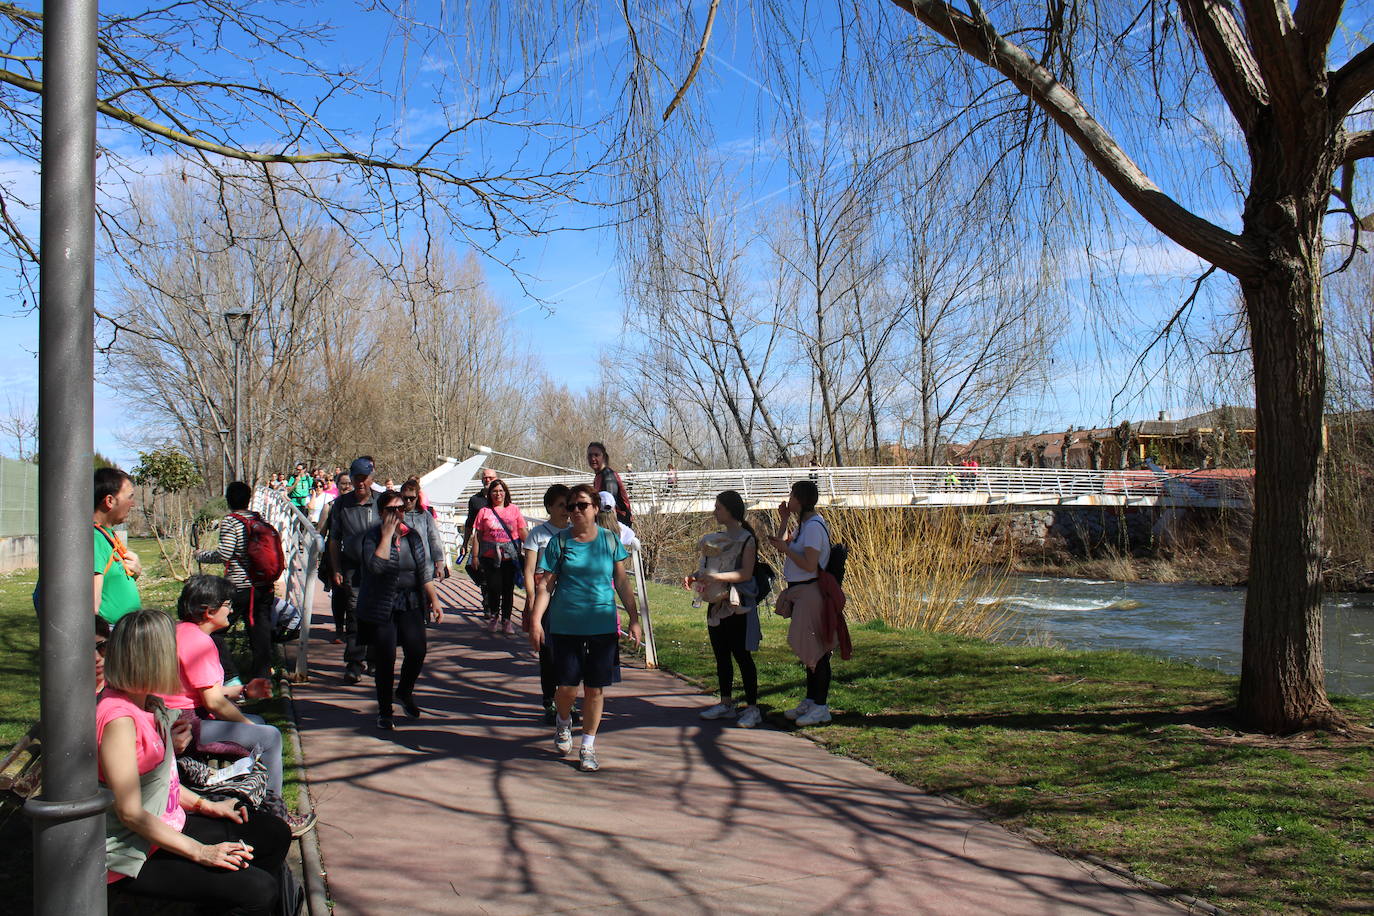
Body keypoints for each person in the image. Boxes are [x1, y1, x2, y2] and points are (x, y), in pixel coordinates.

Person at [98, 608, 292, 912]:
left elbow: (160, 782)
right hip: (131, 854)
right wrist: (202, 853)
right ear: (153, 657)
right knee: (258, 890)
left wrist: (208, 806)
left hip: (162, 828)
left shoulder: (148, 702)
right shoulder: (119, 720)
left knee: (274, 832)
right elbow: (131, 814)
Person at [160, 576, 313, 834]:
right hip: (185, 727)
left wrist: (243, 691)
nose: (232, 610)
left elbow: (205, 691)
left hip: (178, 718)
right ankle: (276, 816)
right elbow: (214, 702)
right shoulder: (199, 642)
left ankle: (250, 801)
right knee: (270, 736)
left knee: (261, 726)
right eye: (228, 604)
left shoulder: (181, 632)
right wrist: (248, 727)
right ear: (209, 612)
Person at [528, 483, 642, 773]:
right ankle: (563, 722)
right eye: (571, 506)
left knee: (595, 690)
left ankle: (588, 746)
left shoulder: (609, 540)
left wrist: (634, 617)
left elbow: (622, 582)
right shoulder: (559, 542)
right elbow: (545, 585)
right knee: (566, 688)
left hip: (602, 625)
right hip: (566, 626)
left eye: (582, 505)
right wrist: (536, 621)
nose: (576, 511)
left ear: (594, 508)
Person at [357, 490, 444, 730]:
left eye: (401, 509)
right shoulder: (372, 537)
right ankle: (385, 711)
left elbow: (423, 572)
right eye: (391, 510)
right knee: (386, 658)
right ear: (381, 512)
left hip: (410, 601)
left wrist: (434, 600)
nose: (397, 514)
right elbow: (374, 568)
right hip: (382, 604)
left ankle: (404, 691)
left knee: (417, 651)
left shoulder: (413, 536)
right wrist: (386, 537)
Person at [684, 490, 762, 727]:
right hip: (715, 602)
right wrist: (696, 576)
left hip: (736, 603)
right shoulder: (715, 538)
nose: (714, 511)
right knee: (721, 656)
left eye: (718, 507)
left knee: (742, 655)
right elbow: (708, 566)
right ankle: (726, 702)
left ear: (730, 510)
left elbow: (746, 573)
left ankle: (752, 708)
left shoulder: (747, 539)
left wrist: (717, 576)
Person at [769, 480, 839, 726]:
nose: (789, 499)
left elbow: (809, 564)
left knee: (817, 652)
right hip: (801, 592)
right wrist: (785, 520)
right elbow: (781, 546)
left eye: (791, 496)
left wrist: (786, 549)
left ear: (800, 499)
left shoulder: (813, 527)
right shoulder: (803, 525)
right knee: (809, 651)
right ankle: (811, 700)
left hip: (811, 593)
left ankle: (821, 706)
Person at [195, 481, 276, 684]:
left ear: (228, 499)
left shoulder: (231, 521)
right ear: (248, 499)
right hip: (263, 584)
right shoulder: (258, 519)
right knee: (260, 630)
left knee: (214, 630)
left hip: (240, 586)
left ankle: (229, 675)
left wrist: (200, 555)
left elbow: (225, 553)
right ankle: (263, 676)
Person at [326, 456, 380, 683]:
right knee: (355, 613)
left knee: (379, 614)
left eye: (364, 479)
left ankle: (375, 658)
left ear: (371, 478)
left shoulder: (383, 502)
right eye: (356, 478)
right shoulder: (341, 504)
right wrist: (336, 568)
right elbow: (333, 540)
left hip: (379, 568)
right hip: (352, 567)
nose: (360, 483)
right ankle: (354, 662)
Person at [522, 484, 571, 722]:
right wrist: (531, 600)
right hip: (546, 599)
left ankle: (567, 699)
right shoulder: (538, 534)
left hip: (570, 600)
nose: (566, 510)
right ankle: (549, 699)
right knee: (549, 652)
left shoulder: (576, 532)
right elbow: (530, 570)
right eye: (561, 505)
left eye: (568, 505)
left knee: (570, 652)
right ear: (550, 507)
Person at [473, 477, 528, 635]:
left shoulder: (514, 510)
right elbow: (478, 535)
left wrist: (533, 547)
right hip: (490, 557)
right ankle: (494, 616)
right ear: (490, 494)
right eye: (495, 491)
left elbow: (522, 531)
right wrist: (475, 556)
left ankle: (507, 620)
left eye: (501, 491)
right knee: (493, 588)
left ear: (505, 493)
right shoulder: (484, 512)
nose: (498, 494)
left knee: (508, 589)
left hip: (510, 557)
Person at [94, 467, 142, 624]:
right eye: (129, 497)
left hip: (123, 633)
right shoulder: (94, 539)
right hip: (109, 639)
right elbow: (91, 607)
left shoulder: (107, 534)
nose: (132, 504)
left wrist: (135, 572)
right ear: (109, 501)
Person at [400, 477, 448, 581]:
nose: (408, 501)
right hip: (402, 570)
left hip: (425, 569)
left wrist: (439, 564)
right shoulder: (396, 515)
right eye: (405, 498)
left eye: (411, 498)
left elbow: (434, 539)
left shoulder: (425, 515)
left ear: (417, 497)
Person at [587, 442, 632, 527]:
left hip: (618, 523)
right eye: (590, 455)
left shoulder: (608, 476)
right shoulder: (598, 476)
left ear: (603, 457)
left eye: (596, 455)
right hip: (606, 521)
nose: (593, 458)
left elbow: (609, 506)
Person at [461, 466, 499, 564]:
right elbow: (469, 523)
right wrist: (464, 544)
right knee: (476, 571)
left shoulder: (502, 499)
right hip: (481, 544)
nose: (488, 480)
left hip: (500, 544)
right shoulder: (475, 500)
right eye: (485, 478)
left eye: (491, 478)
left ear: (497, 479)